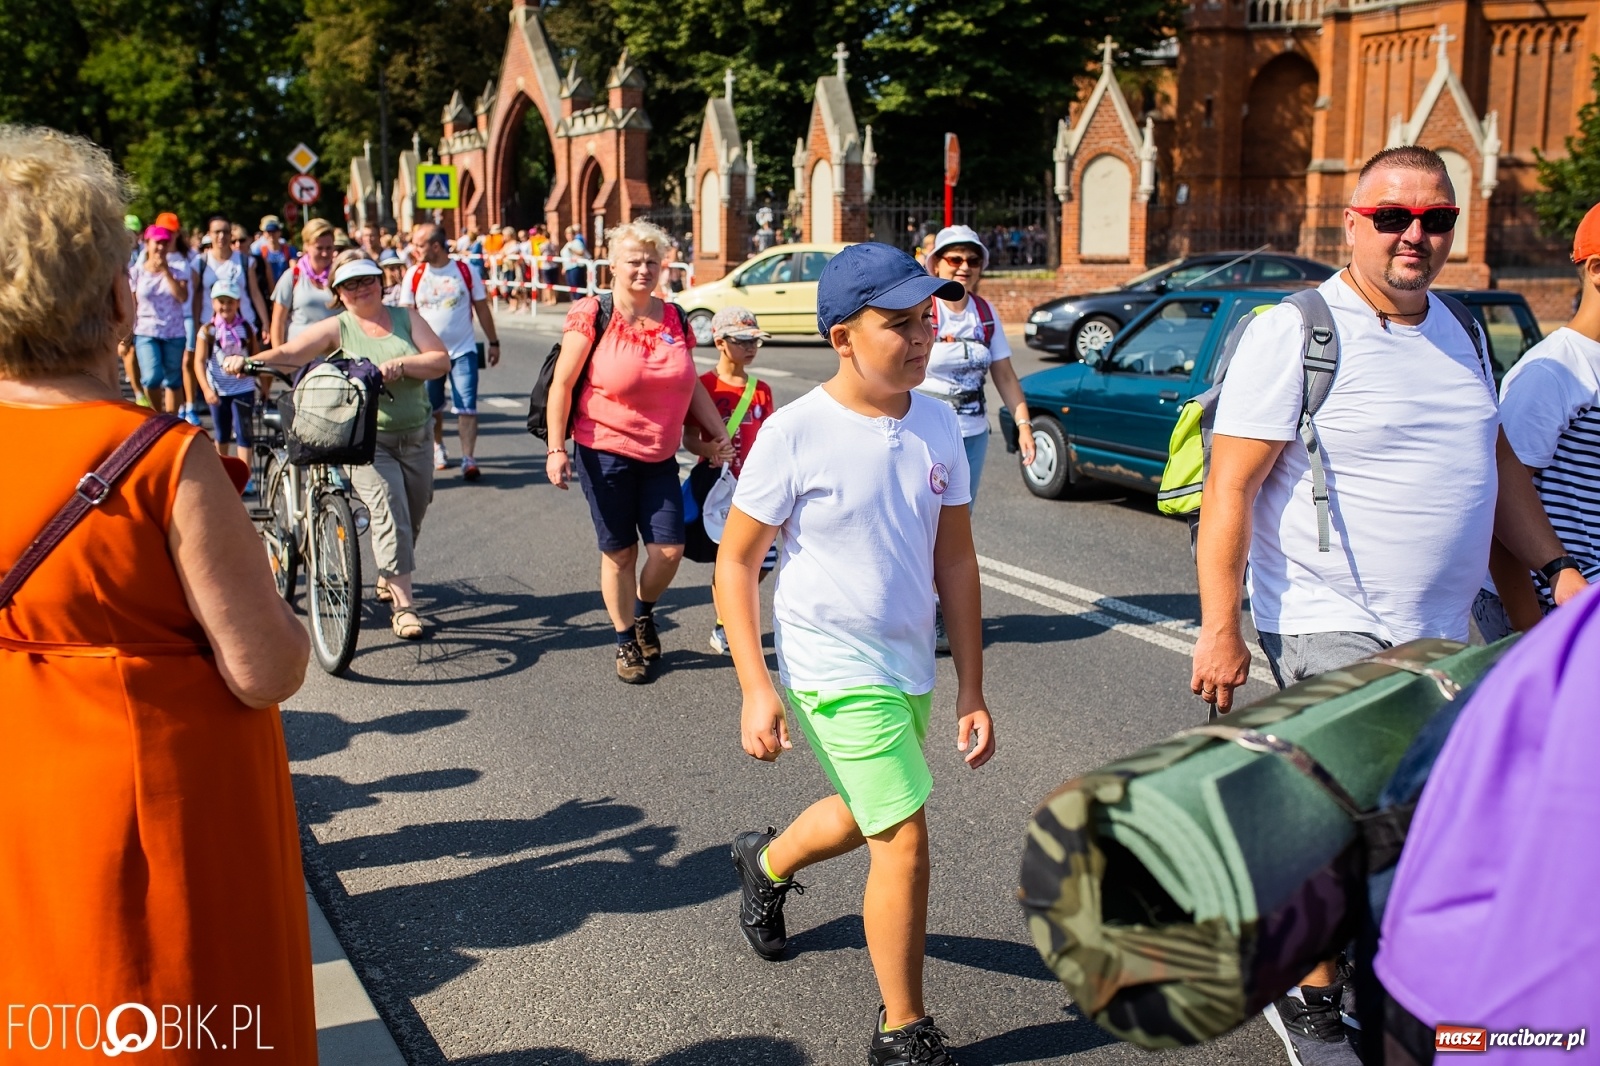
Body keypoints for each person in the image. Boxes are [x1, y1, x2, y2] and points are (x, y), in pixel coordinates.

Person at [1189, 145, 1589, 1066]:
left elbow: (1499, 471)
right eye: (1395, 217)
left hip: (1446, 626)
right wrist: (1219, 627)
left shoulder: (1457, 328)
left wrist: (1557, 571)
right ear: (1353, 223)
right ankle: (1313, 997)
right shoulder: (1295, 331)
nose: (1417, 235)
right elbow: (1231, 491)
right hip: (1331, 617)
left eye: (1437, 219)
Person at [0, 123, 316, 1060]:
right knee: (182, 1014)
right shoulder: (160, 458)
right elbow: (264, 670)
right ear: (112, 298)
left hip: (22, 789)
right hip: (163, 806)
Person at [717, 243, 996, 1065]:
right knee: (904, 836)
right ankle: (900, 1028)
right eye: (899, 324)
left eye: (926, 321)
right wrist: (755, 687)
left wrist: (972, 687)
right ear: (842, 337)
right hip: (829, 667)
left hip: (907, 663)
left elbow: (957, 561)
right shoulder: (794, 433)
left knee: (863, 812)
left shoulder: (939, 419)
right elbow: (736, 562)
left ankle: (763, 864)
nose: (923, 339)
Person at [544, 220, 734, 683]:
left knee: (669, 550)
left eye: (652, 261)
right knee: (620, 554)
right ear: (614, 264)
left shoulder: (674, 318)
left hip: (660, 456)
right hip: (603, 451)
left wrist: (718, 434)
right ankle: (625, 637)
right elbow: (563, 384)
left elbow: (690, 386)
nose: (643, 269)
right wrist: (556, 448)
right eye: (634, 261)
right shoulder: (593, 313)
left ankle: (643, 610)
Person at [226, 251, 450, 639]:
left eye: (367, 280)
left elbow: (440, 360)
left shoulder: (405, 318)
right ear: (338, 294)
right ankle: (405, 607)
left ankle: (390, 572)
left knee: (416, 508)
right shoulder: (339, 327)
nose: (361, 289)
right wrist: (247, 361)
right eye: (350, 284)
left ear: (381, 282)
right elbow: (291, 354)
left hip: (416, 433)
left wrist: (405, 365)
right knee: (388, 509)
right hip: (367, 441)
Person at [1473, 201, 1600, 642]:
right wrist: (1531, 631)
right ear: (1598, 269)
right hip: (1548, 614)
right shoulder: (1553, 372)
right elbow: (1497, 502)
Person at [683, 307, 778, 655]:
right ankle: (726, 624)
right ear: (721, 342)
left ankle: (730, 614)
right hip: (719, 488)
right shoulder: (705, 386)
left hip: (753, 488)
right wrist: (708, 448)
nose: (752, 348)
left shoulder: (761, 389)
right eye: (743, 341)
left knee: (765, 559)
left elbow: (770, 437)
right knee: (729, 558)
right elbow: (688, 438)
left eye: (756, 341)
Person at [402, 222, 501, 480]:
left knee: (467, 406)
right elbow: (406, 316)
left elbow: (481, 308)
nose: (414, 249)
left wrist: (493, 342)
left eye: (419, 244)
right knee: (433, 407)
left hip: (463, 351)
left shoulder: (465, 271)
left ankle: (469, 457)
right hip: (428, 355)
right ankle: (438, 447)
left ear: (436, 246)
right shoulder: (413, 274)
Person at [194, 278, 260, 470]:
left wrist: (262, 385)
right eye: (221, 301)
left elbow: (256, 355)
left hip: (243, 387)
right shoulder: (207, 331)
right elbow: (198, 362)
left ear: (238, 303)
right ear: (213, 303)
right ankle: (223, 471)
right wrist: (206, 390)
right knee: (222, 433)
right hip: (219, 390)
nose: (225, 306)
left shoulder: (246, 328)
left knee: (244, 432)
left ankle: (244, 473)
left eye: (230, 301)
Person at [127, 223, 191, 414]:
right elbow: (132, 305)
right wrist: (125, 335)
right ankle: (156, 416)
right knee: (151, 377)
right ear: (147, 243)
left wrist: (166, 272)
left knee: (173, 380)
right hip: (146, 331)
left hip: (173, 332)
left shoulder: (178, 269)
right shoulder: (136, 272)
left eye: (165, 243)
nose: (161, 248)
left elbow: (182, 297)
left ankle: (171, 420)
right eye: (157, 243)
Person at [270, 217, 339, 348]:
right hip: (301, 359)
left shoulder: (340, 275)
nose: (325, 253)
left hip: (337, 356)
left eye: (329, 248)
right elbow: (278, 322)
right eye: (319, 248)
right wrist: (279, 359)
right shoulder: (293, 276)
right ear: (307, 246)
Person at [561, 224, 588, 298]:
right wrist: (564, 267)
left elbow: (581, 252)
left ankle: (578, 299)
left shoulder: (577, 242)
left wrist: (572, 250)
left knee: (577, 284)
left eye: (570, 234)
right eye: (567, 234)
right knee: (571, 285)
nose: (568, 236)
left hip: (576, 267)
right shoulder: (567, 244)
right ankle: (574, 299)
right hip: (568, 267)